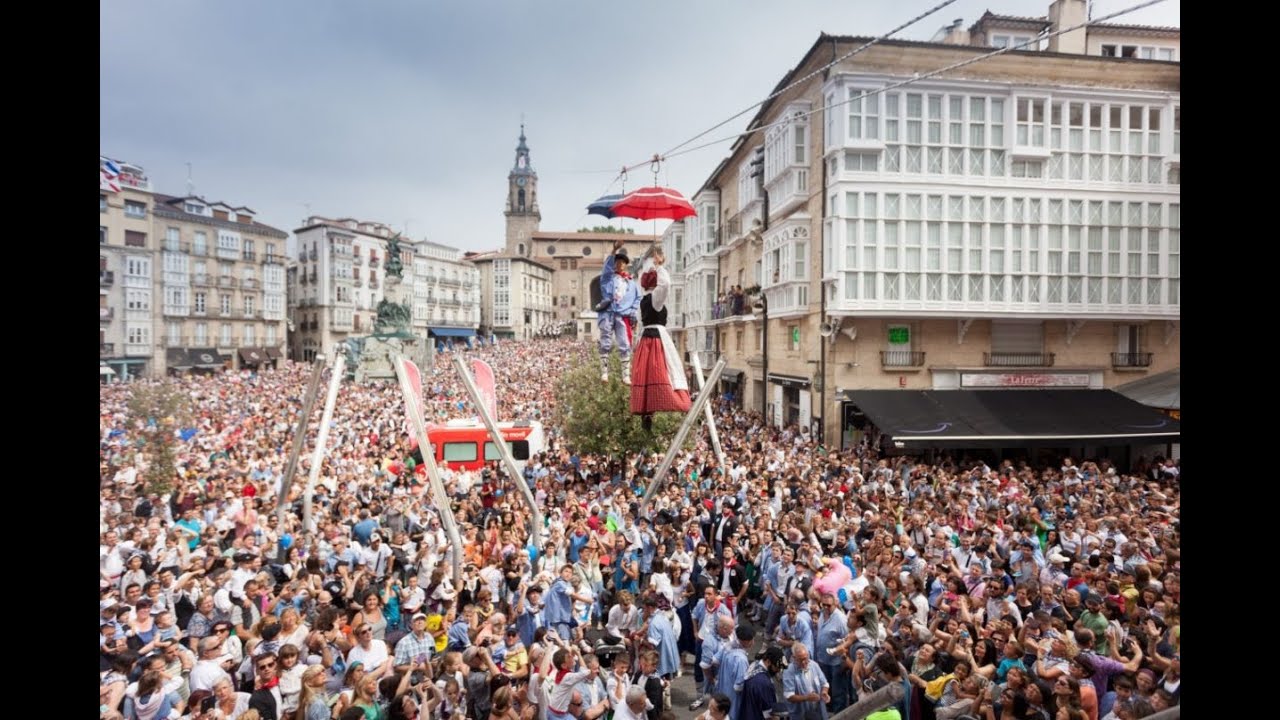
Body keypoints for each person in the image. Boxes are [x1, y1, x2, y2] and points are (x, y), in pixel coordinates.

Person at [629, 247, 690, 428]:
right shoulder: (655, 299)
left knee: (646, 375)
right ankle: (670, 400)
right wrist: (660, 266)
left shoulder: (642, 301)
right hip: (656, 339)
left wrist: (652, 267)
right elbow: (665, 285)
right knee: (667, 369)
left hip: (645, 341)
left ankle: (646, 410)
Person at [596, 240, 640, 383]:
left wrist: (632, 311)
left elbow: (637, 298)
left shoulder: (631, 283)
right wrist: (614, 250)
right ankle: (604, 373)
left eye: (623, 262)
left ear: (626, 265)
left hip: (622, 315)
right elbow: (606, 268)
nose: (620, 264)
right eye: (617, 262)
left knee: (624, 343)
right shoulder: (607, 278)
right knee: (605, 341)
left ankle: (626, 375)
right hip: (608, 312)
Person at [784, 643, 830, 720]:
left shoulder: (814, 665)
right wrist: (806, 698)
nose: (803, 662)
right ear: (794, 658)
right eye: (800, 660)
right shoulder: (789, 671)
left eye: (805, 659)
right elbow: (789, 696)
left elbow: (824, 684)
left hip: (817, 710)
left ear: (808, 655)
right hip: (800, 713)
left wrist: (824, 692)